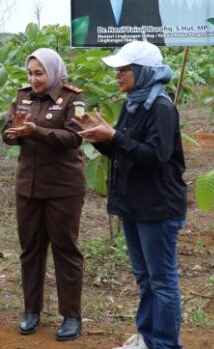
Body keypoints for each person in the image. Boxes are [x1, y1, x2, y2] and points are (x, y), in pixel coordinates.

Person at [74, 41, 186, 349]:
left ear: (143, 72)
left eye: (124, 69)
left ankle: (165, 344)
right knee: (144, 276)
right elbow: (122, 151)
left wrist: (114, 135)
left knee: (161, 280)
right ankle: (147, 338)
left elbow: (156, 156)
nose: (118, 75)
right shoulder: (134, 105)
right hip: (134, 204)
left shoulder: (161, 107)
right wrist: (100, 138)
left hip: (157, 206)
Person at [2, 48, 86, 341]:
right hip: (28, 187)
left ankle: (72, 315)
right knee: (30, 249)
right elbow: (8, 131)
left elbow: (74, 137)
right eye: (30, 73)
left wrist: (35, 131)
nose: (33, 79)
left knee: (65, 249)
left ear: (54, 72)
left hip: (63, 188)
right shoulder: (23, 96)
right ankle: (31, 311)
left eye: (39, 73)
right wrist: (12, 133)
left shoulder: (73, 99)